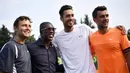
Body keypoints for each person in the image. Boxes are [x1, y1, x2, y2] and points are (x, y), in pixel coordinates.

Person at [53, 5, 96, 73]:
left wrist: (115, 30)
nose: (71, 18)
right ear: (61, 18)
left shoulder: (84, 28)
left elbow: (101, 34)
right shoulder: (57, 38)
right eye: (67, 16)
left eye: (72, 15)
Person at [90, 6, 130, 73]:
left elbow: (128, 55)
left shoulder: (119, 32)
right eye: (102, 16)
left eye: (107, 15)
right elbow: (89, 56)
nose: (105, 18)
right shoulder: (92, 38)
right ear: (94, 20)